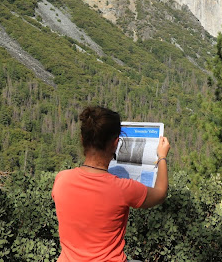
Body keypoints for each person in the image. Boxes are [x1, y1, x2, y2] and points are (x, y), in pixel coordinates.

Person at [52, 106, 170, 261]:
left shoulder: (62, 180)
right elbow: (160, 193)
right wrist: (162, 157)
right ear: (116, 143)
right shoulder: (123, 188)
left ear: (82, 139)